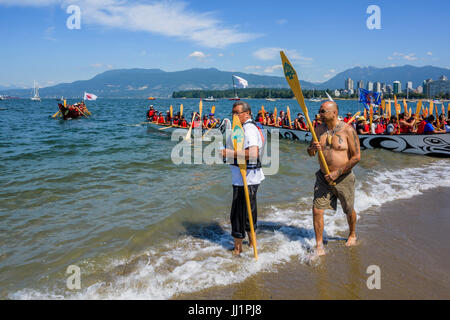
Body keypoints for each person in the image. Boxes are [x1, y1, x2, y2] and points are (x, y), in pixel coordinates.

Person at [307, 101, 361, 256]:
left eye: (323, 111)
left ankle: (352, 234)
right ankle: (319, 244)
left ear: (334, 113)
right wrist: (312, 148)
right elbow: (310, 153)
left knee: (348, 210)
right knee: (317, 210)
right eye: (319, 111)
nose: (319, 114)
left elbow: (357, 157)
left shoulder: (348, 130)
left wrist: (337, 173)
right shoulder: (318, 129)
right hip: (323, 178)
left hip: (343, 178)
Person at [222, 101, 265, 256]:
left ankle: (238, 249)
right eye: (232, 113)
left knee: (238, 214)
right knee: (247, 212)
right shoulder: (243, 128)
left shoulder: (249, 129)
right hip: (244, 177)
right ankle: (253, 245)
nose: (234, 116)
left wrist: (229, 153)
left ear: (247, 113)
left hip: (246, 178)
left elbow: (253, 154)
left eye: (237, 113)